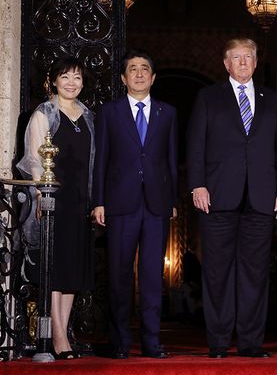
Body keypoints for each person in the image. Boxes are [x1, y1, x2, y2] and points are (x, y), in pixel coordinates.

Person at [187, 38, 277, 359]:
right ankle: (218, 342)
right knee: (217, 273)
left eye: (249, 57)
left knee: (254, 273)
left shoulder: (272, 101)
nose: (243, 62)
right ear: (226, 64)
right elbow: (195, 145)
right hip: (217, 196)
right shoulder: (208, 97)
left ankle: (250, 342)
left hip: (261, 198)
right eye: (237, 57)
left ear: (256, 63)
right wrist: (197, 185)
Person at [92, 49, 177, 359]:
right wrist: (98, 200)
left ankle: (152, 341)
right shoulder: (109, 112)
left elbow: (171, 160)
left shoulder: (167, 113)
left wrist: (173, 201)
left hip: (156, 204)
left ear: (153, 78)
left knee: (153, 273)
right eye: (133, 69)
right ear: (123, 78)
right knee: (119, 273)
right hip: (120, 202)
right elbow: (100, 160)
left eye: (145, 69)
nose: (139, 74)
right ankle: (120, 342)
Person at [17, 56, 95, 359]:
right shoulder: (44, 114)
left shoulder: (88, 116)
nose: (72, 83)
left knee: (74, 267)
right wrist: (40, 197)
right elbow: (34, 161)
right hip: (53, 200)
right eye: (65, 77)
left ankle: (64, 330)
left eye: (77, 77)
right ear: (53, 81)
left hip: (79, 202)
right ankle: (58, 337)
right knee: (56, 266)